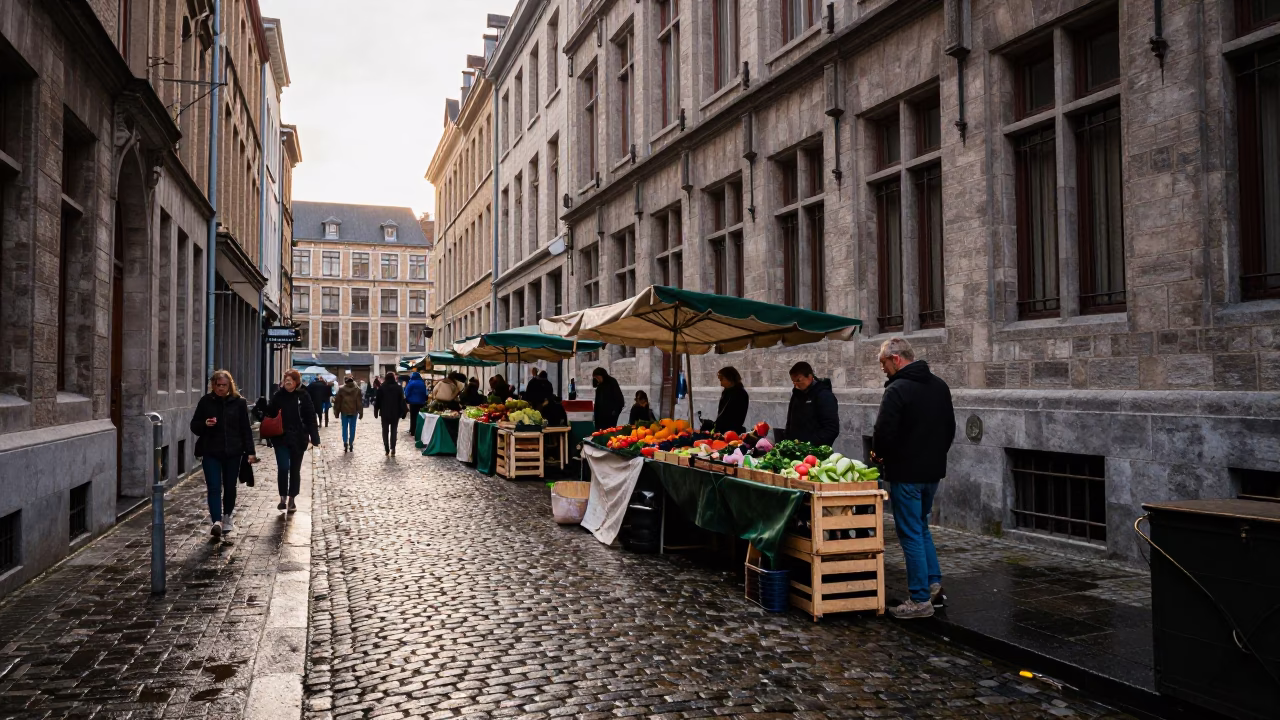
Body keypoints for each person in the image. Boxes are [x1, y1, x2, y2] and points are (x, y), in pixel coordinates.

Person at [872, 337, 956, 620]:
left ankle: (920, 599)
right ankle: (933, 586)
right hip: (931, 471)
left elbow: (883, 433)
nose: (882, 369)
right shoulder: (939, 386)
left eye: (883, 363)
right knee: (921, 527)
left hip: (906, 473)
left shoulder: (897, 389)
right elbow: (949, 430)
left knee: (910, 533)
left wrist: (880, 455)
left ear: (895, 359)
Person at [190, 369, 257, 538]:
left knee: (229, 486)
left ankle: (227, 516)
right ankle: (216, 521)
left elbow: (245, 429)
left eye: (224, 385)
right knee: (213, 487)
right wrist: (205, 423)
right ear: (213, 385)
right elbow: (194, 426)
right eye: (218, 385)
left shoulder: (239, 403)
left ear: (230, 385)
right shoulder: (206, 401)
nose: (220, 388)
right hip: (211, 450)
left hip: (233, 452)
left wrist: (250, 452)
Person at [266, 369, 321, 513]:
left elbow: (310, 417)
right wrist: (263, 409)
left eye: (290, 380)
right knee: (283, 467)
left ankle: (292, 498)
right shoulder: (278, 396)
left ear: (296, 382)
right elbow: (270, 414)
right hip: (281, 437)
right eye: (285, 380)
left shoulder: (303, 396)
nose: (287, 382)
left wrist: (314, 437)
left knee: (295, 469)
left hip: (298, 438)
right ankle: (283, 496)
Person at [783, 361, 840, 445]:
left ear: (809, 377)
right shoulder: (796, 394)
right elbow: (789, 421)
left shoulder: (824, 395)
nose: (796, 385)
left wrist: (810, 445)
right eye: (793, 381)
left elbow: (831, 429)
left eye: (798, 380)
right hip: (795, 449)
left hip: (815, 450)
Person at [376, 371, 409, 456]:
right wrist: (404, 412)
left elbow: (378, 401)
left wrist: (376, 411)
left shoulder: (382, 387)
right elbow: (402, 400)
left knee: (385, 431)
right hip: (395, 413)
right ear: (394, 378)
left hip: (384, 413)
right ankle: (393, 448)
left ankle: (386, 448)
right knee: (394, 431)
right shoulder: (398, 388)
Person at [713, 366, 750, 435]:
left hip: (732, 432)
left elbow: (730, 415)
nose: (721, 384)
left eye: (722, 380)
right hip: (723, 431)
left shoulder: (739, 394)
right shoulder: (727, 392)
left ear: (730, 378)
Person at [333, 375, 364, 453]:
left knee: (344, 427)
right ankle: (351, 443)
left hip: (344, 411)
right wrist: (361, 412)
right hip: (354, 411)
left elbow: (338, 402)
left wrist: (336, 412)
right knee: (352, 427)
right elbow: (359, 402)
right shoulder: (357, 389)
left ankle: (345, 442)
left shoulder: (341, 389)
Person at [404, 371, 429, 437]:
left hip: (413, 403)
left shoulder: (411, 382)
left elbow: (407, 392)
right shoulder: (422, 383)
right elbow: (425, 393)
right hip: (421, 402)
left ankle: (412, 431)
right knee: (420, 417)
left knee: (413, 417)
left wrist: (407, 398)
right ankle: (420, 431)